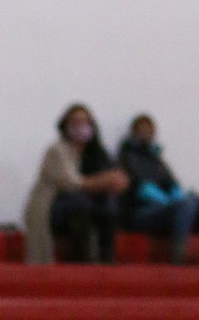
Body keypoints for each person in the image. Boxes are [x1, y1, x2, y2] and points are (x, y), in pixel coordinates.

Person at [117, 115, 199, 265]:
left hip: (166, 209)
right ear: (134, 132)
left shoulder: (157, 160)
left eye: (150, 130)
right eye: (143, 130)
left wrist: (179, 195)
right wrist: (171, 200)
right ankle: (179, 252)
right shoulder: (126, 157)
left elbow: (172, 184)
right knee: (186, 204)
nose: (147, 134)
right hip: (142, 211)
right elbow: (140, 189)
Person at [24, 103, 128, 264]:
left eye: (85, 122)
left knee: (109, 206)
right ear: (66, 126)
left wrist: (118, 181)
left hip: (88, 206)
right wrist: (105, 180)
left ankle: (107, 263)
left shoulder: (97, 152)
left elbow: (115, 177)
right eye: (76, 122)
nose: (81, 127)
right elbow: (72, 183)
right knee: (79, 201)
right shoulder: (57, 150)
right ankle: (83, 264)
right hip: (53, 206)